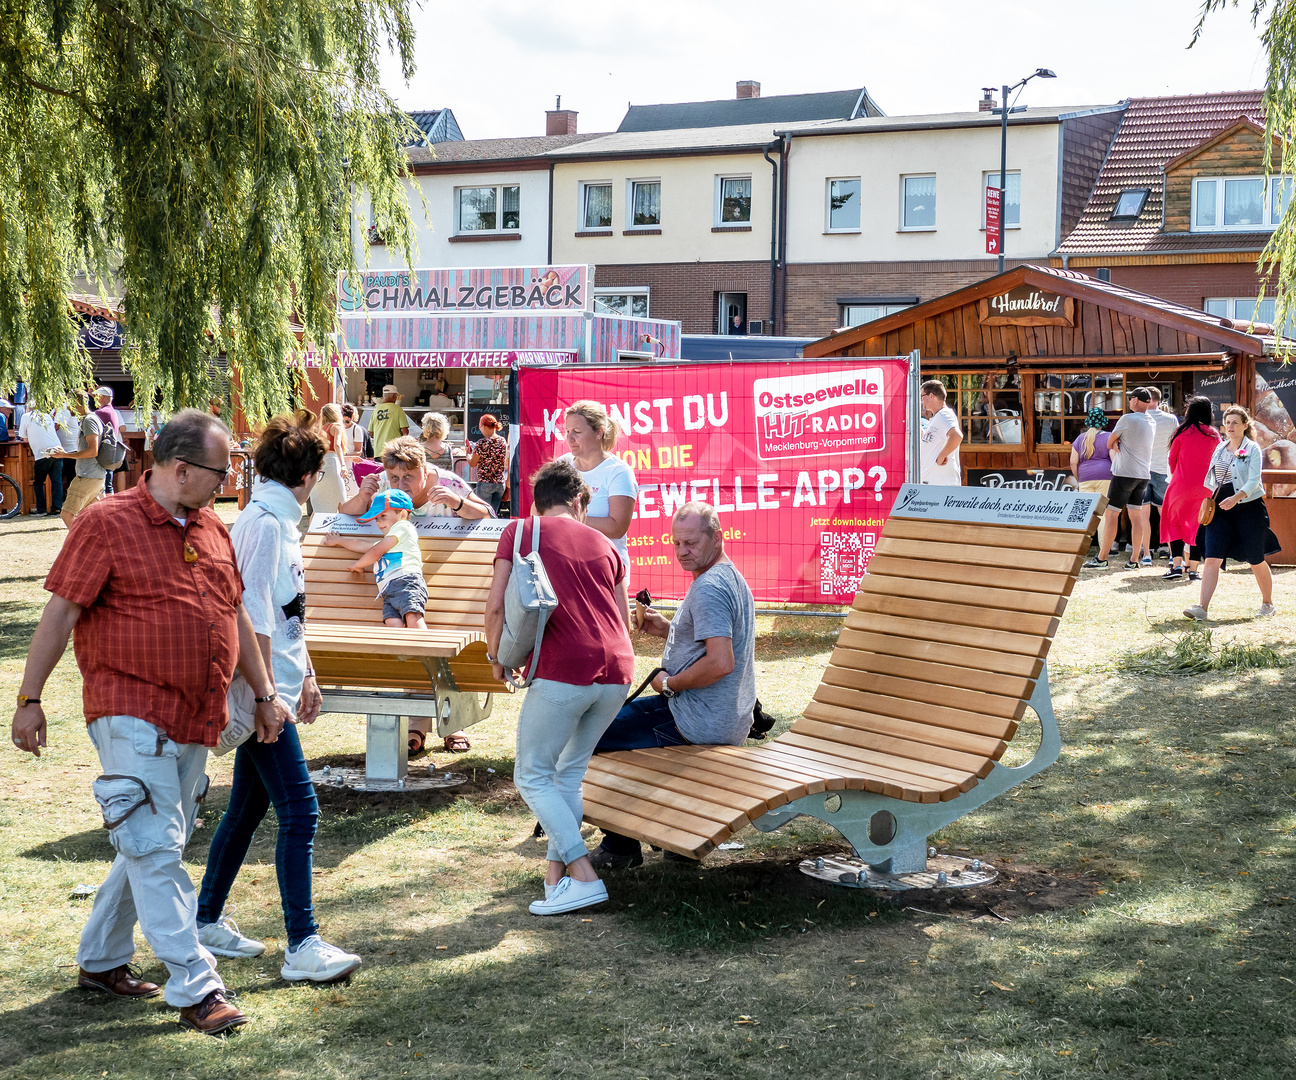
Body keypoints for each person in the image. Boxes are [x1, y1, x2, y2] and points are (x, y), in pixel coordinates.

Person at [10, 408, 292, 1036]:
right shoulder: (107, 521)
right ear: (182, 468)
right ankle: (195, 984)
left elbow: (236, 616)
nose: (230, 479)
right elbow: (60, 613)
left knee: (150, 842)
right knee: (157, 847)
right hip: (130, 710)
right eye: (223, 470)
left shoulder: (213, 526)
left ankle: (101, 960)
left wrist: (265, 692)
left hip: (197, 715)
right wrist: (30, 698)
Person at [195, 411, 362, 983]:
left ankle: (205, 919)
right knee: (301, 810)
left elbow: (288, 613)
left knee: (247, 808)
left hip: (275, 687)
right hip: (263, 695)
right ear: (311, 473)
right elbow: (254, 619)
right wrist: (270, 696)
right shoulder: (266, 523)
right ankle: (302, 943)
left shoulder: (273, 519)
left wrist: (306, 674)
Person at [485, 461, 634, 915]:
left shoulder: (520, 531)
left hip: (564, 668)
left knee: (531, 774)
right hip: (617, 671)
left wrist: (497, 657)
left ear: (538, 500)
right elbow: (623, 617)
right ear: (578, 501)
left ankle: (583, 873)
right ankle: (558, 878)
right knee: (567, 775)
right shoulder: (607, 545)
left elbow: (495, 606)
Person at [588, 502, 757, 870]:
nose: (683, 551)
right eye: (677, 543)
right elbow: (712, 642)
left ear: (718, 538)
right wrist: (670, 629)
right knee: (619, 730)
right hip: (723, 715)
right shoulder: (727, 576)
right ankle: (674, 840)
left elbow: (721, 662)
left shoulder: (709, 587)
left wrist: (669, 684)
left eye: (692, 543)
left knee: (590, 732)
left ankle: (620, 847)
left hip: (697, 720)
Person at [1184, 406, 1277, 621]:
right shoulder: (1219, 448)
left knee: (1255, 558)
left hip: (1247, 506)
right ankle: (1202, 608)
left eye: (1235, 422)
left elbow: (1254, 481)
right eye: (1227, 422)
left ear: (1245, 425)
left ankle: (1267, 603)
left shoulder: (1252, 448)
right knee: (1212, 557)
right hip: (1221, 506)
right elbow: (1213, 478)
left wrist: (1236, 498)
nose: (1230, 426)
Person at [323, 489, 428, 630]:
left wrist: (358, 564)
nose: (378, 523)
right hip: (388, 589)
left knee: (412, 616)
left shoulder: (403, 527)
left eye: (383, 516)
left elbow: (375, 552)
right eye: (376, 519)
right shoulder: (391, 541)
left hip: (406, 581)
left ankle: (424, 648)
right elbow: (363, 546)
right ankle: (401, 651)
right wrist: (339, 541)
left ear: (402, 514)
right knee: (392, 623)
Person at [1084, 387, 1156, 571]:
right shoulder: (1151, 420)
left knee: (1111, 515)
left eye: (1131, 398)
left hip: (1124, 473)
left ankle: (1102, 559)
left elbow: (1109, 442)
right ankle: (1133, 560)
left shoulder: (1127, 419)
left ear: (1135, 401)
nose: (1129, 401)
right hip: (1142, 474)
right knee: (1136, 517)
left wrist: (1117, 442)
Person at [559, 401, 637, 566]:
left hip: (605, 567)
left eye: (577, 431)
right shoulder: (562, 465)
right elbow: (538, 509)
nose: (569, 438)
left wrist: (568, 518)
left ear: (599, 432)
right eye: (567, 431)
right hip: (566, 564)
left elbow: (617, 528)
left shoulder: (619, 471)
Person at [1160, 397, 1220, 582]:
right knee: (1199, 525)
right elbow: (1218, 462)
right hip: (1205, 488)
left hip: (1180, 486)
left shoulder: (1182, 431)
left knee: (1173, 522)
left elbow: (1172, 459)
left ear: (1190, 412)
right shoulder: (1213, 434)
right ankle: (1193, 569)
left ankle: (1176, 566)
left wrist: (1177, 474)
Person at [46, 394, 107, 528]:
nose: (67, 407)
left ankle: (81, 545)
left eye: (69, 403)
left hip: (87, 476)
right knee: (98, 517)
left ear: (76, 403)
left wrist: (65, 455)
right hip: (94, 476)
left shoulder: (89, 420)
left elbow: (93, 451)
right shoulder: (92, 419)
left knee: (67, 514)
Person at [1144, 388, 1179, 564]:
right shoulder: (1171, 419)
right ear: (1159, 399)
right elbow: (1176, 444)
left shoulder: (1137, 418)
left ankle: (1146, 555)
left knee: (1142, 515)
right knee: (1166, 514)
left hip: (1141, 470)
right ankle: (1173, 554)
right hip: (1163, 469)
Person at [18, 408, 64, 516]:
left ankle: (41, 509)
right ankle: (57, 508)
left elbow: (24, 438)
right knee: (57, 481)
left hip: (42, 453)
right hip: (58, 450)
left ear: (28, 408)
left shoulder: (25, 416)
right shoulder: (47, 415)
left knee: (38, 482)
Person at [310, 403, 352, 513]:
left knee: (321, 503)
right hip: (333, 464)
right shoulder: (336, 426)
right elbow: (337, 446)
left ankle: (315, 528)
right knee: (340, 498)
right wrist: (343, 465)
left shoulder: (321, 429)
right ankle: (341, 526)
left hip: (322, 464)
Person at [919, 380, 962, 484]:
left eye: (922, 396)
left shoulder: (944, 415)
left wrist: (942, 456)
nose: (921, 400)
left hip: (942, 482)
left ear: (931, 396)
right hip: (934, 481)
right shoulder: (937, 417)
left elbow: (957, 436)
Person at [1068, 407, 1113, 498]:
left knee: (1087, 509)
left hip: (1085, 476)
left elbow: (1073, 462)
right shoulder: (1109, 437)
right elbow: (1114, 460)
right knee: (1102, 509)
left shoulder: (1080, 438)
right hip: (1105, 476)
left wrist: (1077, 478)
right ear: (1102, 423)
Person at [470, 414, 509, 515]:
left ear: (483, 426)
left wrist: (467, 454)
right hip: (500, 483)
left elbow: (473, 463)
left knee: (483, 514)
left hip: (485, 482)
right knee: (493, 513)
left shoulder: (481, 443)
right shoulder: (502, 441)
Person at [94, 387, 124, 496]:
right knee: (108, 484)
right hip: (111, 452)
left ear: (101, 397)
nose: (95, 400)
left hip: (102, 453)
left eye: (96, 397)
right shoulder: (113, 411)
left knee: (101, 485)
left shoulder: (100, 412)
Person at [368, 384, 409, 454]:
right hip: (394, 450)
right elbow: (405, 431)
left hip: (378, 450)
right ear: (394, 396)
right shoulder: (397, 409)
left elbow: (370, 433)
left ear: (383, 396)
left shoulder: (376, 410)